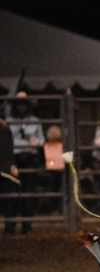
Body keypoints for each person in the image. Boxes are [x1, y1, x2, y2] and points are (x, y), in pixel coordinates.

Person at [6, 91, 45, 235]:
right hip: (14, 158)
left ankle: (27, 226)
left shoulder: (35, 121)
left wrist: (34, 143)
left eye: (24, 104)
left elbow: (41, 140)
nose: (21, 107)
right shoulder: (9, 121)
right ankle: (10, 227)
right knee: (12, 193)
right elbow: (6, 140)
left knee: (28, 193)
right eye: (19, 104)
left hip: (29, 158)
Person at [0, 118, 20, 235]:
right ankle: (9, 228)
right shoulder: (5, 129)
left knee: (10, 198)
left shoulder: (4, 130)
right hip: (6, 166)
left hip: (5, 167)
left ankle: (9, 228)